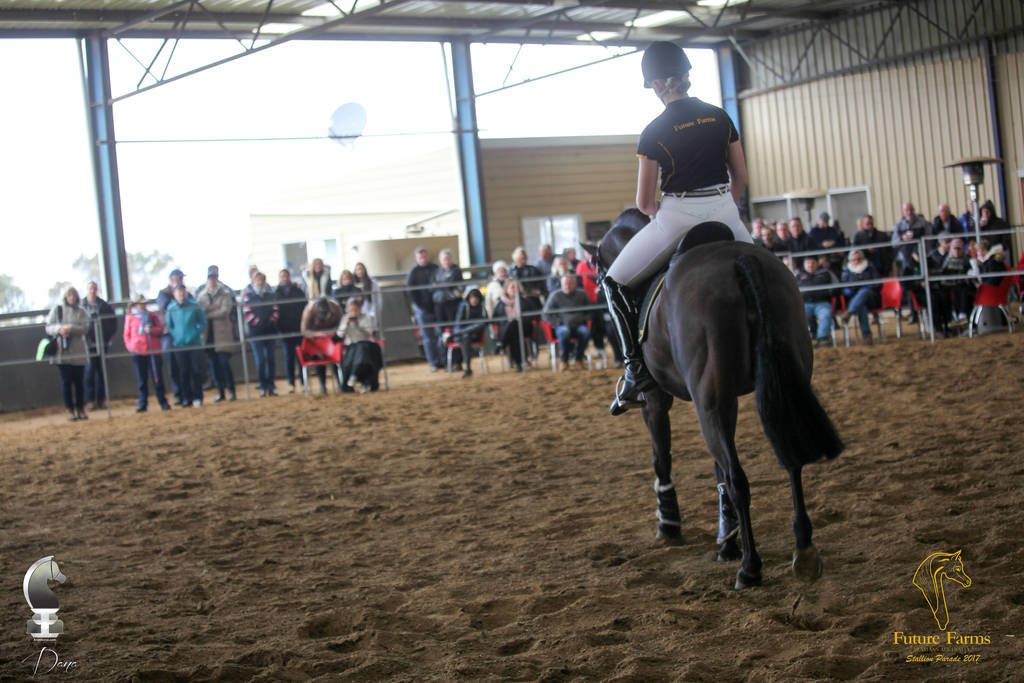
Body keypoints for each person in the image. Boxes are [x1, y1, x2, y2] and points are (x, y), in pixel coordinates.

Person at [603, 41, 751, 414]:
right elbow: (742, 178)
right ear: (686, 76)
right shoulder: (720, 116)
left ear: (655, 85)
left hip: (677, 217)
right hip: (725, 211)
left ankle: (636, 371)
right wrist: (724, 206)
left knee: (613, 283)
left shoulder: (654, 131)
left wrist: (668, 215)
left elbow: (645, 203)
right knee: (770, 272)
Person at [45, 286, 90, 421]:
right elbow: (48, 327)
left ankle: (81, 408)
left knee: (79, 382)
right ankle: (69, 409)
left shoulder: (82, 312)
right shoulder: (57, 310)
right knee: (66, 381)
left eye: (74, 296)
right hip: (62, 352)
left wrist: (70, 328)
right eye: (69, 296)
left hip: (78, 351)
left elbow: (85, 328)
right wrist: (60, 329)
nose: (71, 298)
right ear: (65, 297)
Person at [123, 294, 171, 412]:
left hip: (153, 350)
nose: (142, 305)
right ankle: (142, 403)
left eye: (144, 303)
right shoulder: (130, 317)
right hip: (138, 351)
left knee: (157, 377)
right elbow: (126, 335)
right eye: (140, 303)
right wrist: (131, 347)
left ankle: (162, 401)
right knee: (142, 379)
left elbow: (160, 329)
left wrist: (152, 330)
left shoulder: (152, 316)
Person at [196, 270, 237, 402]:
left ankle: (231, 390)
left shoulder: (225, 294)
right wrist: (213, 310)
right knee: (213, 366)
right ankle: (220, 391)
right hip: (209, 335)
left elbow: (225, 311)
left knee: (224, 363)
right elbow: (200, 313)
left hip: (222, 334)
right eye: (210, 278)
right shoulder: (201, 296)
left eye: (214, 278)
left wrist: (208, 312)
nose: (212, 280)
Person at [165, 284, 206, 407]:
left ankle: (198, 397)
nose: (181, 294)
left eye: (183, 292)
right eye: (178, 292)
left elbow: (202, 323)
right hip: (179, 345)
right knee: (183, 372)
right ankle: (186, 398)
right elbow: (170, 326)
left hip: (194, 344)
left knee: (196, 370)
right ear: (174, 294)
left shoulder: (195, 306)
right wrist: (177, 336)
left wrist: (195, 334)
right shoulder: (171, 308)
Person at [242, 271, 280, 397]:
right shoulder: (248, 296)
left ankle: (271, 385)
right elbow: (247, 312)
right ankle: (263, 386)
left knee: (271, 359)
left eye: (262, 280)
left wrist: (270, 321)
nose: (260, 282)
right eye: (258, 280)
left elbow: (275, 310)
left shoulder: (271, 295)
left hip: (270, 330)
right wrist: (258, 322)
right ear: (253, 282)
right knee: (260, 360)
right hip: (256, 332)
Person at [156, 268, 191, 405]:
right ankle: (178, 393)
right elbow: (164, 307)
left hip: (184, 332)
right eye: (178, 278)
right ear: (172, 280)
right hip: (168, 332)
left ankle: (188, 392)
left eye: (181, 278)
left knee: (187, 364)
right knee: (172, 363)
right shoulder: (163, 293)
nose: (180, 281)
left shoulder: (186, 292)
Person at [543, 275, 592, 370]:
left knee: (586, 332)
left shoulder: (582, 294)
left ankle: (579, 358)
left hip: (579, 325)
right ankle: (564, 360)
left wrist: (584, 319)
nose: (567, 286)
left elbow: (591, 310)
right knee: (564, 332)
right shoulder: (555, 295)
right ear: (561, 285)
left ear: (575, 284)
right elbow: (545, 314)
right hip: (562, 325)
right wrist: (557, 322)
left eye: (570, 283)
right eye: (565, 284)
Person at [81, 280, 116, 410]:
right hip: (87, 346)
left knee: (103, 373)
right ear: (87, 290)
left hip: (103, 344)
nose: (92, 291)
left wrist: (106, 338)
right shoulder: (81, 306)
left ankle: (102, 399)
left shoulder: (104, 306)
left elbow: (112, 324)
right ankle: (90, 400)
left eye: (95, 288)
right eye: (90, 288)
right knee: (89, 372)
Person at [406, 247, 443, 371]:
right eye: (420, 257)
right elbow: (411, 292)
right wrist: (421, 306)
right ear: (417, 258)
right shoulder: (413, 272)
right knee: (428, 337)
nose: (423, 259)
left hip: (437, 307)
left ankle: (443, 359)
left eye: (425, 256)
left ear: (428, 256)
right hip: (422, 309)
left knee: (441, 334)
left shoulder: (436, 268)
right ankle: (433, 362)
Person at [300, 297, 344, 394]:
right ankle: (322, 384)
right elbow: (304, 330)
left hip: (333, 337)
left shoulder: (336, 308)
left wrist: (334, 332)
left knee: (338, 358)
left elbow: (342, 324)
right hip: (316, 340)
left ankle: (341, 383)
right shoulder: (309, 310)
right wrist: (318, 335)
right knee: (319, 358)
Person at [493, 279, 538, 371]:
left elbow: (533, 316)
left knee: (514, 325)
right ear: (506, 289)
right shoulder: (500, 303)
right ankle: (519, 363)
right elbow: (495, 319)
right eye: (512, 287)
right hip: (508, 331)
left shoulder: (525, 301)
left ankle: (501, 344)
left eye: (516, 287)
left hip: (524, 328)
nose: (515, 289)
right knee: (513, 333)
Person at [338, 298, 381, 392]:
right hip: (351, 346)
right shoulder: (345, 319)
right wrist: (346, 324)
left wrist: (358, 326)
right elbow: (339, 334)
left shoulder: (366, 317)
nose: (353, 312)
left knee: (363, 354)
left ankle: (355, 375)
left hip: (366, 345)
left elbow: (369, 333)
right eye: (351, 310)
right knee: (350, 360)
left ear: (360, 309)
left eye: (356, 310)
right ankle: (354, 378)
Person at [840, 250, 881, 345]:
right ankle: (867, 336)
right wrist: (852, 290)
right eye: (854, 259)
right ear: (850, 260)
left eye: (859, 259)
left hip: (872, 299)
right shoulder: (847, 272)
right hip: (855, 300)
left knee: (864, 291)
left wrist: (863, 287)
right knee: (862, 307)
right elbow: (844, 289)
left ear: (863, 259)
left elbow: (878, 284)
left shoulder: (870, 268)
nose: (856, 261)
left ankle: (849, 312)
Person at [276, 269, 306, 393]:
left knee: (301, 355)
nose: (285, 278)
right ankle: (291, 383)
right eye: (282, 276)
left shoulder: (298, 291)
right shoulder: (276, 293)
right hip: (285, 330)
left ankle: (304, 381)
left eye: (286, 276)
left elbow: (304, 308)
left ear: (289, 277)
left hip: (298, 328)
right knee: (289, 357)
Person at [796, 256, 837, 348]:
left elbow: (835, 287)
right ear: (804, 265)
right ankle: (800, 341)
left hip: (822, 302)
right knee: (797, 316)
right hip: (805, 304)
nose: (810, 265)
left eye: (813, 262)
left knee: (825, 314)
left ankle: (823, 339)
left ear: (817, 263)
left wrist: (827, 294)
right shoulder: (798, 275)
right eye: (808, 263)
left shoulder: (825, 273)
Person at [453, 288, 487, 378]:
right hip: (463, 336)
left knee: (466, 337)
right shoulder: (463, 307)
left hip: (476, 335)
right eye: (472, 297)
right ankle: (468, 368)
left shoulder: (482, 308)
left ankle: (468, 368)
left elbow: (483, 324)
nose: (474, 299)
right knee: (465, 338)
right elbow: (458, 324)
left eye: (476, 297)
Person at [891, 202, 931, 274]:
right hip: (905, 257)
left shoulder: (923, 223)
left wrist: (924, 251)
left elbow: (929, 237)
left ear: (914, 210)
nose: (909, 212)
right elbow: (894, 243)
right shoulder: (898, 226)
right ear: (903, 212)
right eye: (907, 210)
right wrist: (902, 238)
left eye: (911, 210)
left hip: (920, 255)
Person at [432, 248, 464, 332]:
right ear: (440, 260)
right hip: (439, 303)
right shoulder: (436, 272)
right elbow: (432, 286)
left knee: (453, 326)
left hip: (452, 303)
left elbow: (460, 288)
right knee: (441, 327)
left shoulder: (456, 271)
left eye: (448, 258)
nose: (446, 261)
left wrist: (443, 290)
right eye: (444, 259)